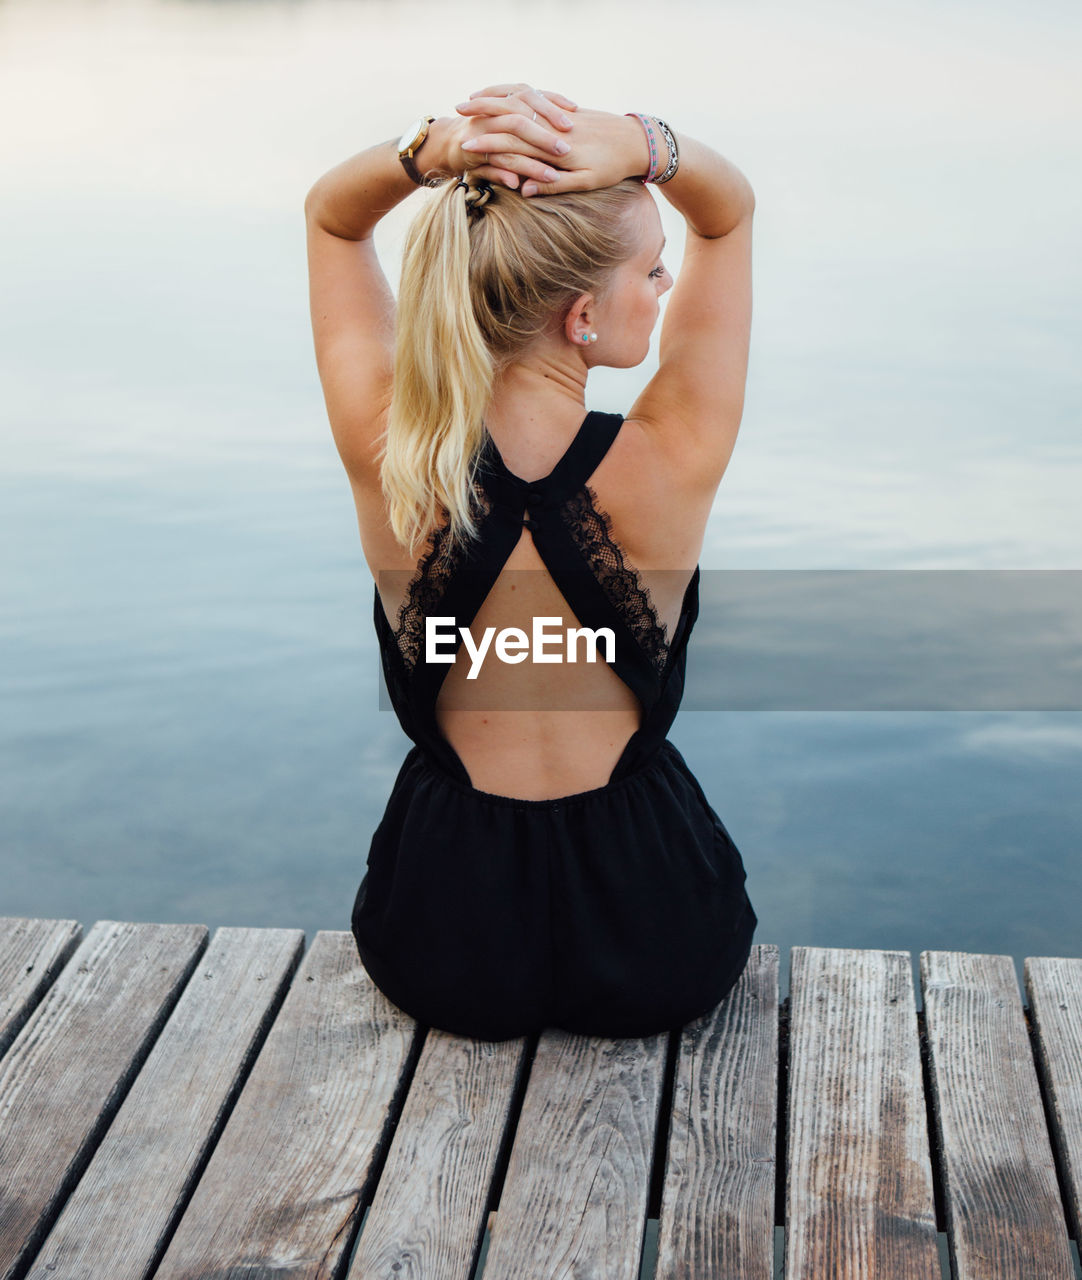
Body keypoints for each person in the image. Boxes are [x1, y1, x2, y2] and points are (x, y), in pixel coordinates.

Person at [305, 82, 758, 1040]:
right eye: (653, 273)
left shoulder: (388, 448)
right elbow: (732, 215)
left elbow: (332, 222)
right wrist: (646, 144)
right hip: (656, 930)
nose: (666, 286)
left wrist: (436, 148)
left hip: (446, 934)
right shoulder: (673, 454)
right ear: (583, 315)